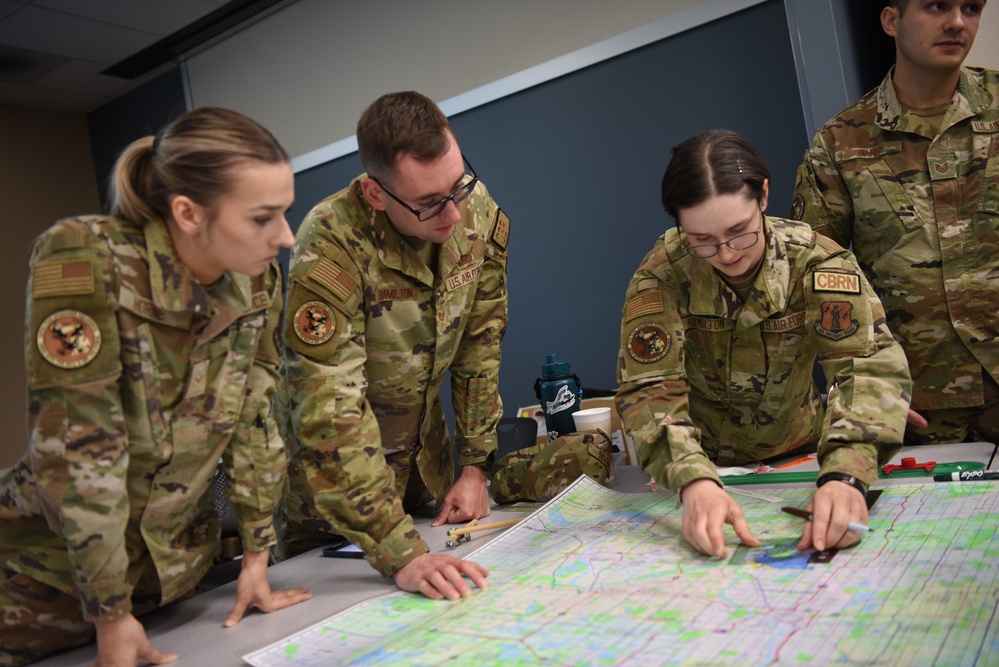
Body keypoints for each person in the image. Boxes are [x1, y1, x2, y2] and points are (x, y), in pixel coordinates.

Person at [0, 107, 311, 666]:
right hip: (43, 590)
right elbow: (79, 454)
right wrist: (111, 616)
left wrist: (256, 559)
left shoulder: (256, 275)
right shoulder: (87, 257)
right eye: (264, 218)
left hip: (169, 588)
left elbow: (255, 421)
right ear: (189, 213)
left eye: (285, 213)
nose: (286, 238)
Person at [615, 129, 911, 560]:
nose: (727, 253)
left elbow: (865, 368)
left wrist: (847, 475)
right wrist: (694, 480)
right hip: (702, 464)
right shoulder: (662, 275)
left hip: (803, 457)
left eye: (740, 231)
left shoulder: (817, 263)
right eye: (702, 240)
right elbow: (649, 390)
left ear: (764, 196)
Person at [274, 91, 506, 600]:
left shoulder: (475, 209)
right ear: (376, 194)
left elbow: (479, 348)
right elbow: (329, 406)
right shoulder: (332, 239)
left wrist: (474, 468)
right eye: (427, 203)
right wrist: (398, 551)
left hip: (428, 475)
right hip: (338, 499)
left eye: (458, 185)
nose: (452, 214)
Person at [789, 0, 998, 446]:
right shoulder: (840, 143)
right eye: (937, 6)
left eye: (972, 8)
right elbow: (816, 279)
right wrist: (859, 387)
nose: (958, 22)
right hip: (916, 406)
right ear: (890, 20)